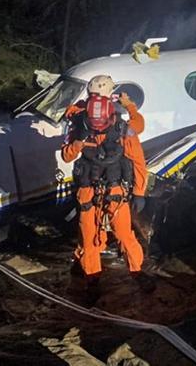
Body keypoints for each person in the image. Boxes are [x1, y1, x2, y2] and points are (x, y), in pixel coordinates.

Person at [61, 75, 154, 296]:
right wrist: (78, 142)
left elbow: (138, 160)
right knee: (89, 237)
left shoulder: (122, 130)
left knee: (123, 234)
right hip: (89, 190)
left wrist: (139, 192)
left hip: (114, 190)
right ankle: (92, 280)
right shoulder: (79, 125)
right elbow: (67, 155)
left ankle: (137, 272)